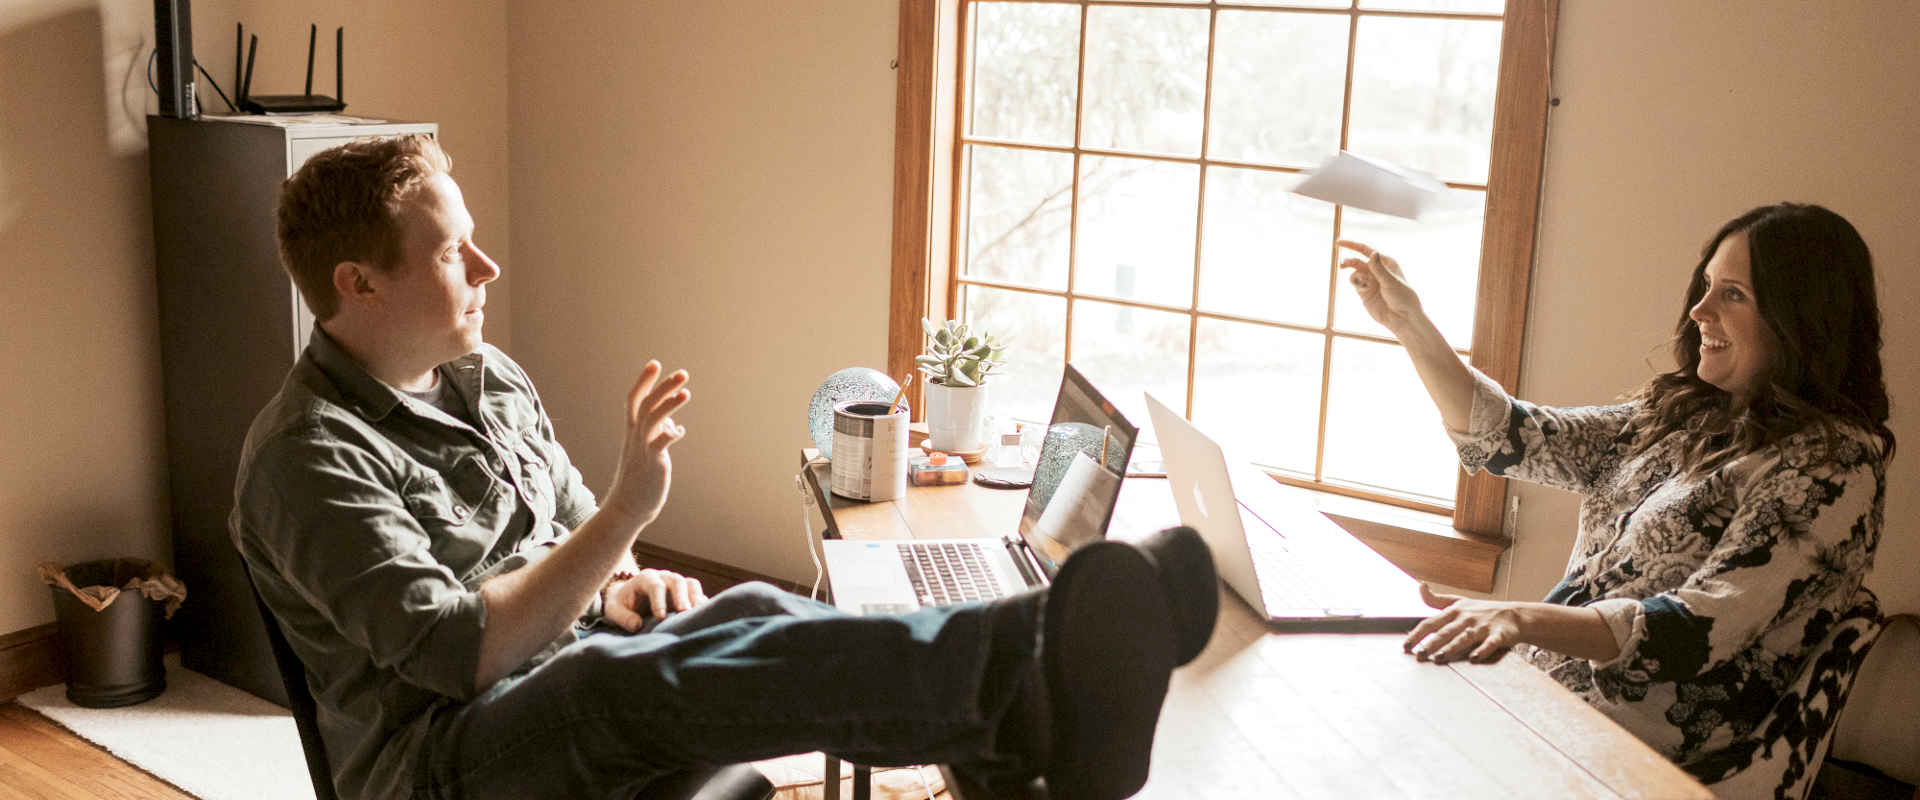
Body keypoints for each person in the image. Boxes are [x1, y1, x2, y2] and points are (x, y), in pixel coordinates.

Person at [231, 133, 1219, 800]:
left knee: (744, 613)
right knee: (628, 687)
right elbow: (459, 654)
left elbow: (573, 533)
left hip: (556, 664)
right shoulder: (304, 456)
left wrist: (624, 579)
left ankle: (1021, 726)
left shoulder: (482, 375)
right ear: (358, 283)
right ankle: (1035, 663)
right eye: (453, 254)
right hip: (444, 759)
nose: (488, 269)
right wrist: (626, 517)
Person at [1339, 203, 1892, 789]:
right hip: (1546, 703)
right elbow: (1511, 438)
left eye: (1733, 295)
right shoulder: (1684, 415)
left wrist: (1517, 616)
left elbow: (1695, 630)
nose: (1699, 311)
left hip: (1641, 760)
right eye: (1706, 286)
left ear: (1801, 319)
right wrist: (1409, 323)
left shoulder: (1832, 464)